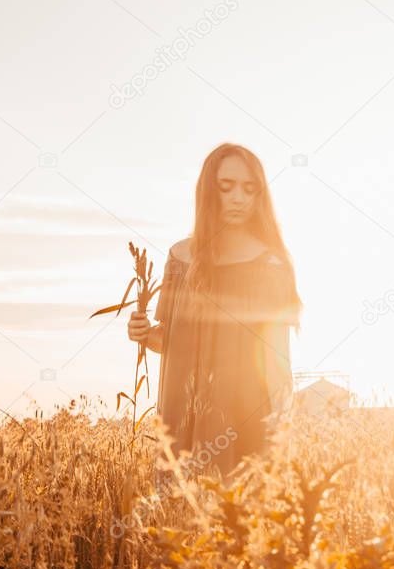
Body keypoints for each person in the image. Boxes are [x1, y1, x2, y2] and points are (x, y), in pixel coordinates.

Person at [127, 143, 302, 477]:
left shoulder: (270, 266)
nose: (238, 197)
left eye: (249, 190)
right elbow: (171, 342)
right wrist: (144, 334)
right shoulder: (179, 259)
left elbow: (277, 359)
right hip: (181, 421)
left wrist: (278, 437)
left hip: (243, 420)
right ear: (208, 191)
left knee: (235, 519)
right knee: (178, 519)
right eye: (227, 187)